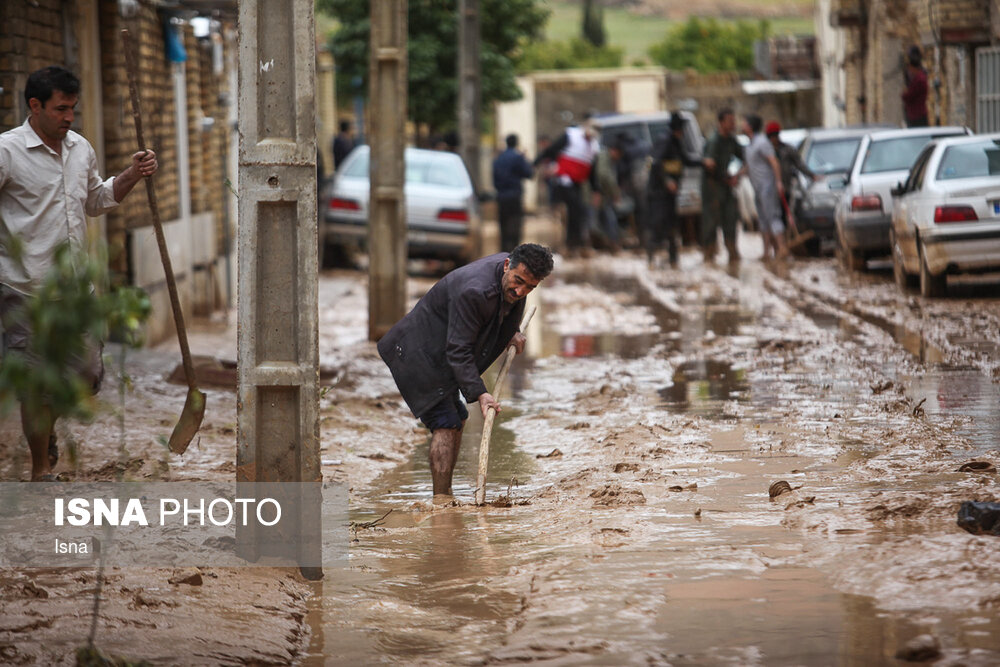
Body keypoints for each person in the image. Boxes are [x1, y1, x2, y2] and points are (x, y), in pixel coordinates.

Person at [0, 65, 158, 481]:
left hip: (75, 292)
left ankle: (45, 432)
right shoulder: (7, 151)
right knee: (36, 382)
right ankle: (39, 470)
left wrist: (132, 175)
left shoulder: (80, 148)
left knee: (86, 374)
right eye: (61, 109)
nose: (69, 117)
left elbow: (97, 199)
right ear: (35, 106)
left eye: (73, 109)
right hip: (24, 288)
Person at [377, 243, 553, 498]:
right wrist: (480, 393)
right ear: (507, 266)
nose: (520, 290)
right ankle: (441, 501)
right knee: (446, 422)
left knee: (457, 417)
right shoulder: (476, 291)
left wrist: (510, 335)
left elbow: (495, 318)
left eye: (530, 287)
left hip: (442, 351)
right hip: (417, 353)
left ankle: (445, 491)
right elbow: (459, 350)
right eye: (518, 281)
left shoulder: (512, 279)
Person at [534, 114, 600, 257]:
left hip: (577, 183)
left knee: (577, 213)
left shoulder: (594, 147)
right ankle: (570, 244)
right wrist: (536, 163)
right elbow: (551, 150)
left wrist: (596, 190)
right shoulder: (571, 135)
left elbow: (592, 172)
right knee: (574, 210)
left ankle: (574, 243)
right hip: (563, 180)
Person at [647, 112, 701, 267]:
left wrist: (703, 162)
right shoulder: (665, 141)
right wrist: (667, 181)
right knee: (658, 225)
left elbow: (686, 160)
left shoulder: (677, 143)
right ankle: (651, 261)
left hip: (670, 194)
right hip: (659, 194)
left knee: (672, 226)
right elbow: (655, 163)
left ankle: (673, 260)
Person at [700, 108, 744, 264]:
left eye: (734, 121)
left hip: (726, 185)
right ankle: (709, 254)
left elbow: (745, 156)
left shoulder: (732, 140)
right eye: (730, 121)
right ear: (721, 123)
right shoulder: (714, 141)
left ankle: (732, 252)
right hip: (712, 187)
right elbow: (710, 167)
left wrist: (737, 175)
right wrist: (727, 178)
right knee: (711, 221)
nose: (733, 124)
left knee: (730, 218)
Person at [744, 114, 786, 260]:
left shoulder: (762, 142)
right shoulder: (750, 145)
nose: (742, 125)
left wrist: (779, 182)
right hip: (757, 187)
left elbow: (774, 162)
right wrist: (736, 176)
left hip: (767, 186)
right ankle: (766, 252)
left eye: (744, 123)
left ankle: (781, 249)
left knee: (773, 216)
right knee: (762, 219)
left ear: (750, 126)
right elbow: (749, 166)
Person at [765, 121, 820, 231]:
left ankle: (787, 235)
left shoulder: (788, 149)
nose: (773, 139)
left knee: (787, 214)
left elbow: (799, 164)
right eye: (771, 136)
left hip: (785, 187)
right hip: (770, 189)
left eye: (775, 135)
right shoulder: (766, 151)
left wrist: (812, 175)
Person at [491, 134, 534, 252]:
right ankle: (514, 252)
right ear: (516, 143)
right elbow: (529, 173)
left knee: (503, 225)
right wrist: (525, 159)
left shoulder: (498, 159)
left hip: (501, 196)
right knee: (515, 224)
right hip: (515, 195)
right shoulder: (518, 157)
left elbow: (494, 180)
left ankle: (503, 253)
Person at [902, 46, 929, 128]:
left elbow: (908, 96)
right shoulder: (917, 78)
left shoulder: (919, 79)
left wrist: (905, 93)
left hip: (917, 116)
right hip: (914, 115)